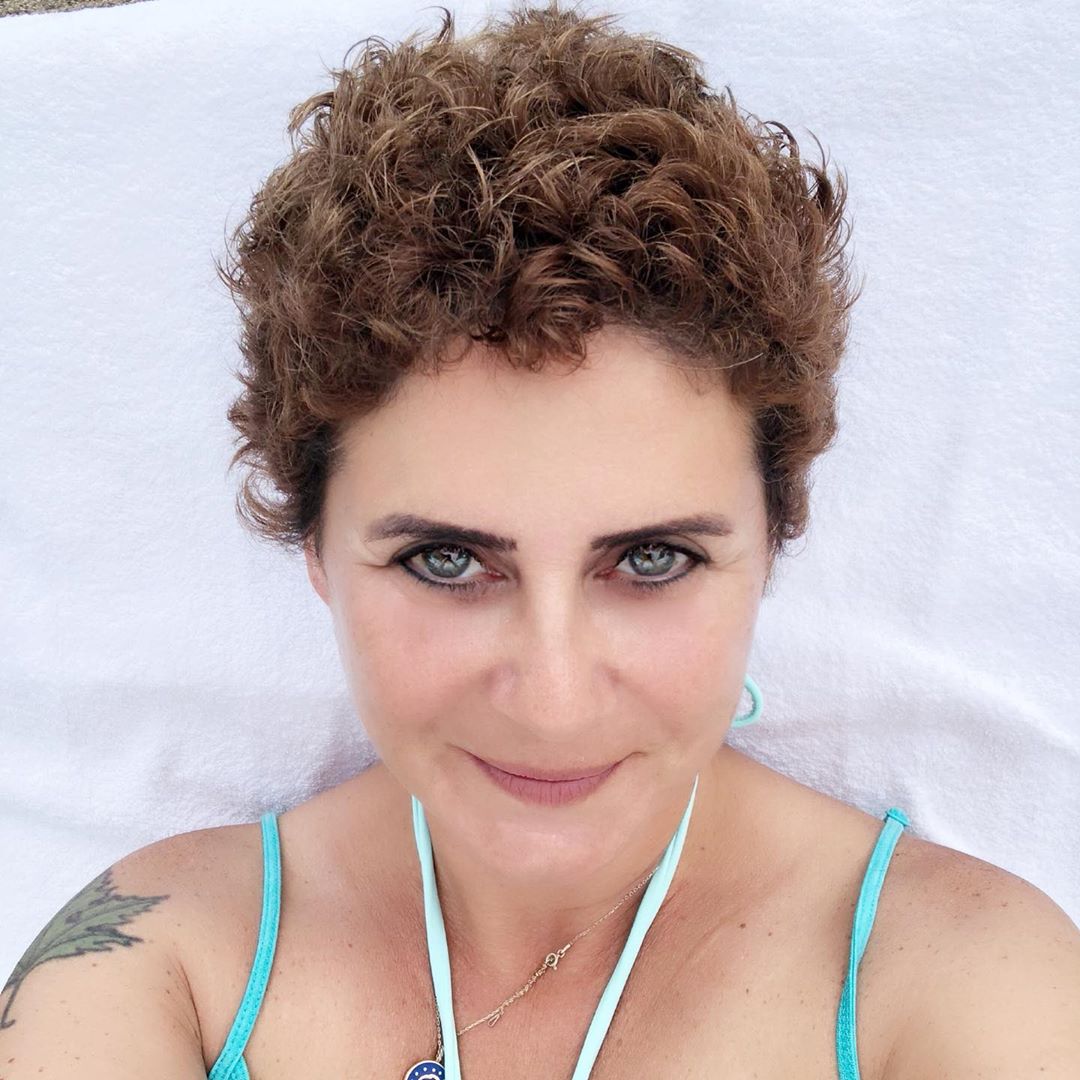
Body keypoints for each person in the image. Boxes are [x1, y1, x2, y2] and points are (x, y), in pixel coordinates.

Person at [2, 3, 1078, 1077]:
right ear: (314, 548)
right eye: (447, 561)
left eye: (652, 560)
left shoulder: (966, 986)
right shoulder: (165, 962)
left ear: (773, 540)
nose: (554, 703)